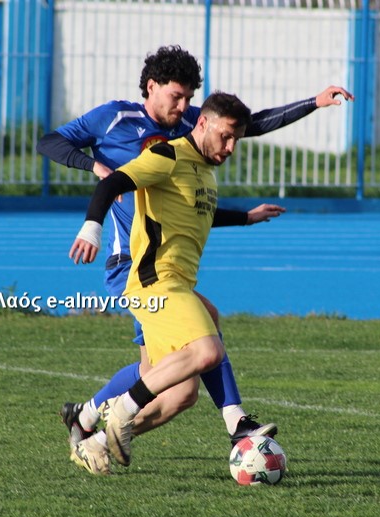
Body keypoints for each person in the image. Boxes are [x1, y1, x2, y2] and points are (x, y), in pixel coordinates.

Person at [38, 45, 354, 474]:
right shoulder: (119, 122)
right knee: (196, 354)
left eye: (189, 98)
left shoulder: (194, 141)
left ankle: (91, 424)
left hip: (168, 268)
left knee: (178, 387)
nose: (183, 106)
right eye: (177, 96)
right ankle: (203, 421)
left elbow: (247, 127)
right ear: (152, 87)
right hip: (133, 263)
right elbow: (51, 142)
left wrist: (313, 103)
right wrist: (95, 171)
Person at [70, 91, 264, 470]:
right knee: (208, 350)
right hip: (154, 282)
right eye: (225, 136)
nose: (230, 147)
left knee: (181, 395)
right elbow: (111, 184)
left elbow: (197, 213)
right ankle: (130, 410)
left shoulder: (204, 171)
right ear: (202, 123)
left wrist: (246, 217)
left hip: (175, 284)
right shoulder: (167, 155)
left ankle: (94, 442)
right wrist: (92, 227)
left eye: (236, 140)